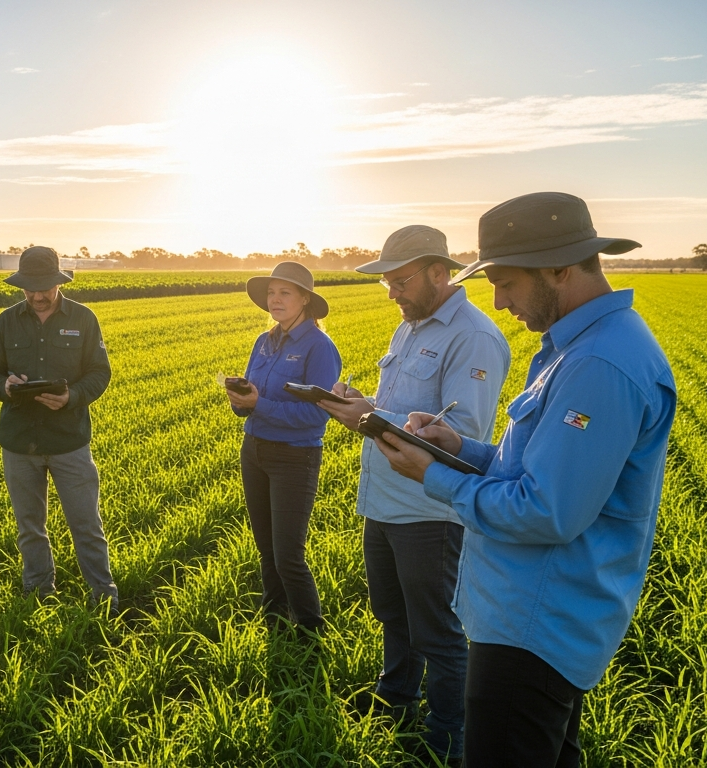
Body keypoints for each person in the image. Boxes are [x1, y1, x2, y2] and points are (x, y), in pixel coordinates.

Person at [370, 192, 675, 767]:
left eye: (506, 283)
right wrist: (462, 449)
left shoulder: (598, 365)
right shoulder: (582, 346)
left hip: (534, 628)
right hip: (533, 617)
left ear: (559, 269)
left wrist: (435, 476)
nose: (499, 302)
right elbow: (539, 468)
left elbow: (545, 510)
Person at [319, 226, 510, 762]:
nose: (392, 292)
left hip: (429, 509)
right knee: (391, 611)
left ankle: (448, 736)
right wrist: (365, 403)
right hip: (382, 499)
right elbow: (405, 406)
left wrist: (371, 418)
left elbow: (459, 434)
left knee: (438, 630)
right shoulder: (409, 327)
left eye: (400, 280)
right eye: (386, 283)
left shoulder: (472, 337)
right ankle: (397, 699)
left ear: (438, 271)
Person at [0, 246, 118, 609]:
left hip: (69, 440)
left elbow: (100, 373)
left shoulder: (84, 319)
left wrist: (71, 396)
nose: (38, 296)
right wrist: (6, 388)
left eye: (45, 288)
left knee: (86, 525)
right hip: (19, 441)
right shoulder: (6, 321)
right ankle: (38, 593)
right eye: (30, 289)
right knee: (29, 527)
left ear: (59, 283)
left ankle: (104, 596)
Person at [229, 262, 341, 637]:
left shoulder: (320, 348)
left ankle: (312, 635)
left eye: (285, 293)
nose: (274, 300)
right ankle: (274, 623)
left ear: (305, 300)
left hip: (295, 457)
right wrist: (240, 399)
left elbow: (316, 416)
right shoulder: (264, 341)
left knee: (289, 556)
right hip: (255, 450)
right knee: (266, 550)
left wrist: (258, 404)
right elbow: (249, 399)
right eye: (271, 293)